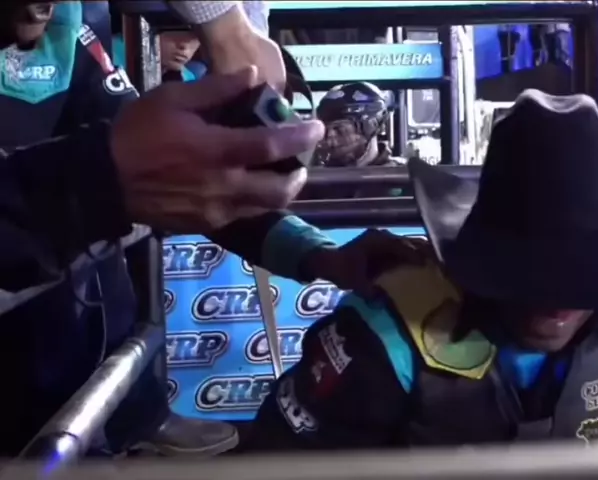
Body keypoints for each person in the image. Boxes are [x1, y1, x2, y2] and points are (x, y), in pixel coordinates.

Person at [241, 91, 598, 451]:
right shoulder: (383, 338)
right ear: (480, 259)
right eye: (533, 274)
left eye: (583, 278)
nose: (557, 302)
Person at [0, 1, 424, 456]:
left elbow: (169, 173)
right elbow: (102, 178)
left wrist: (321, 257)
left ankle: (138, 416)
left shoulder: (71, 36)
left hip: (87, 384)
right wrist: (94, 183)